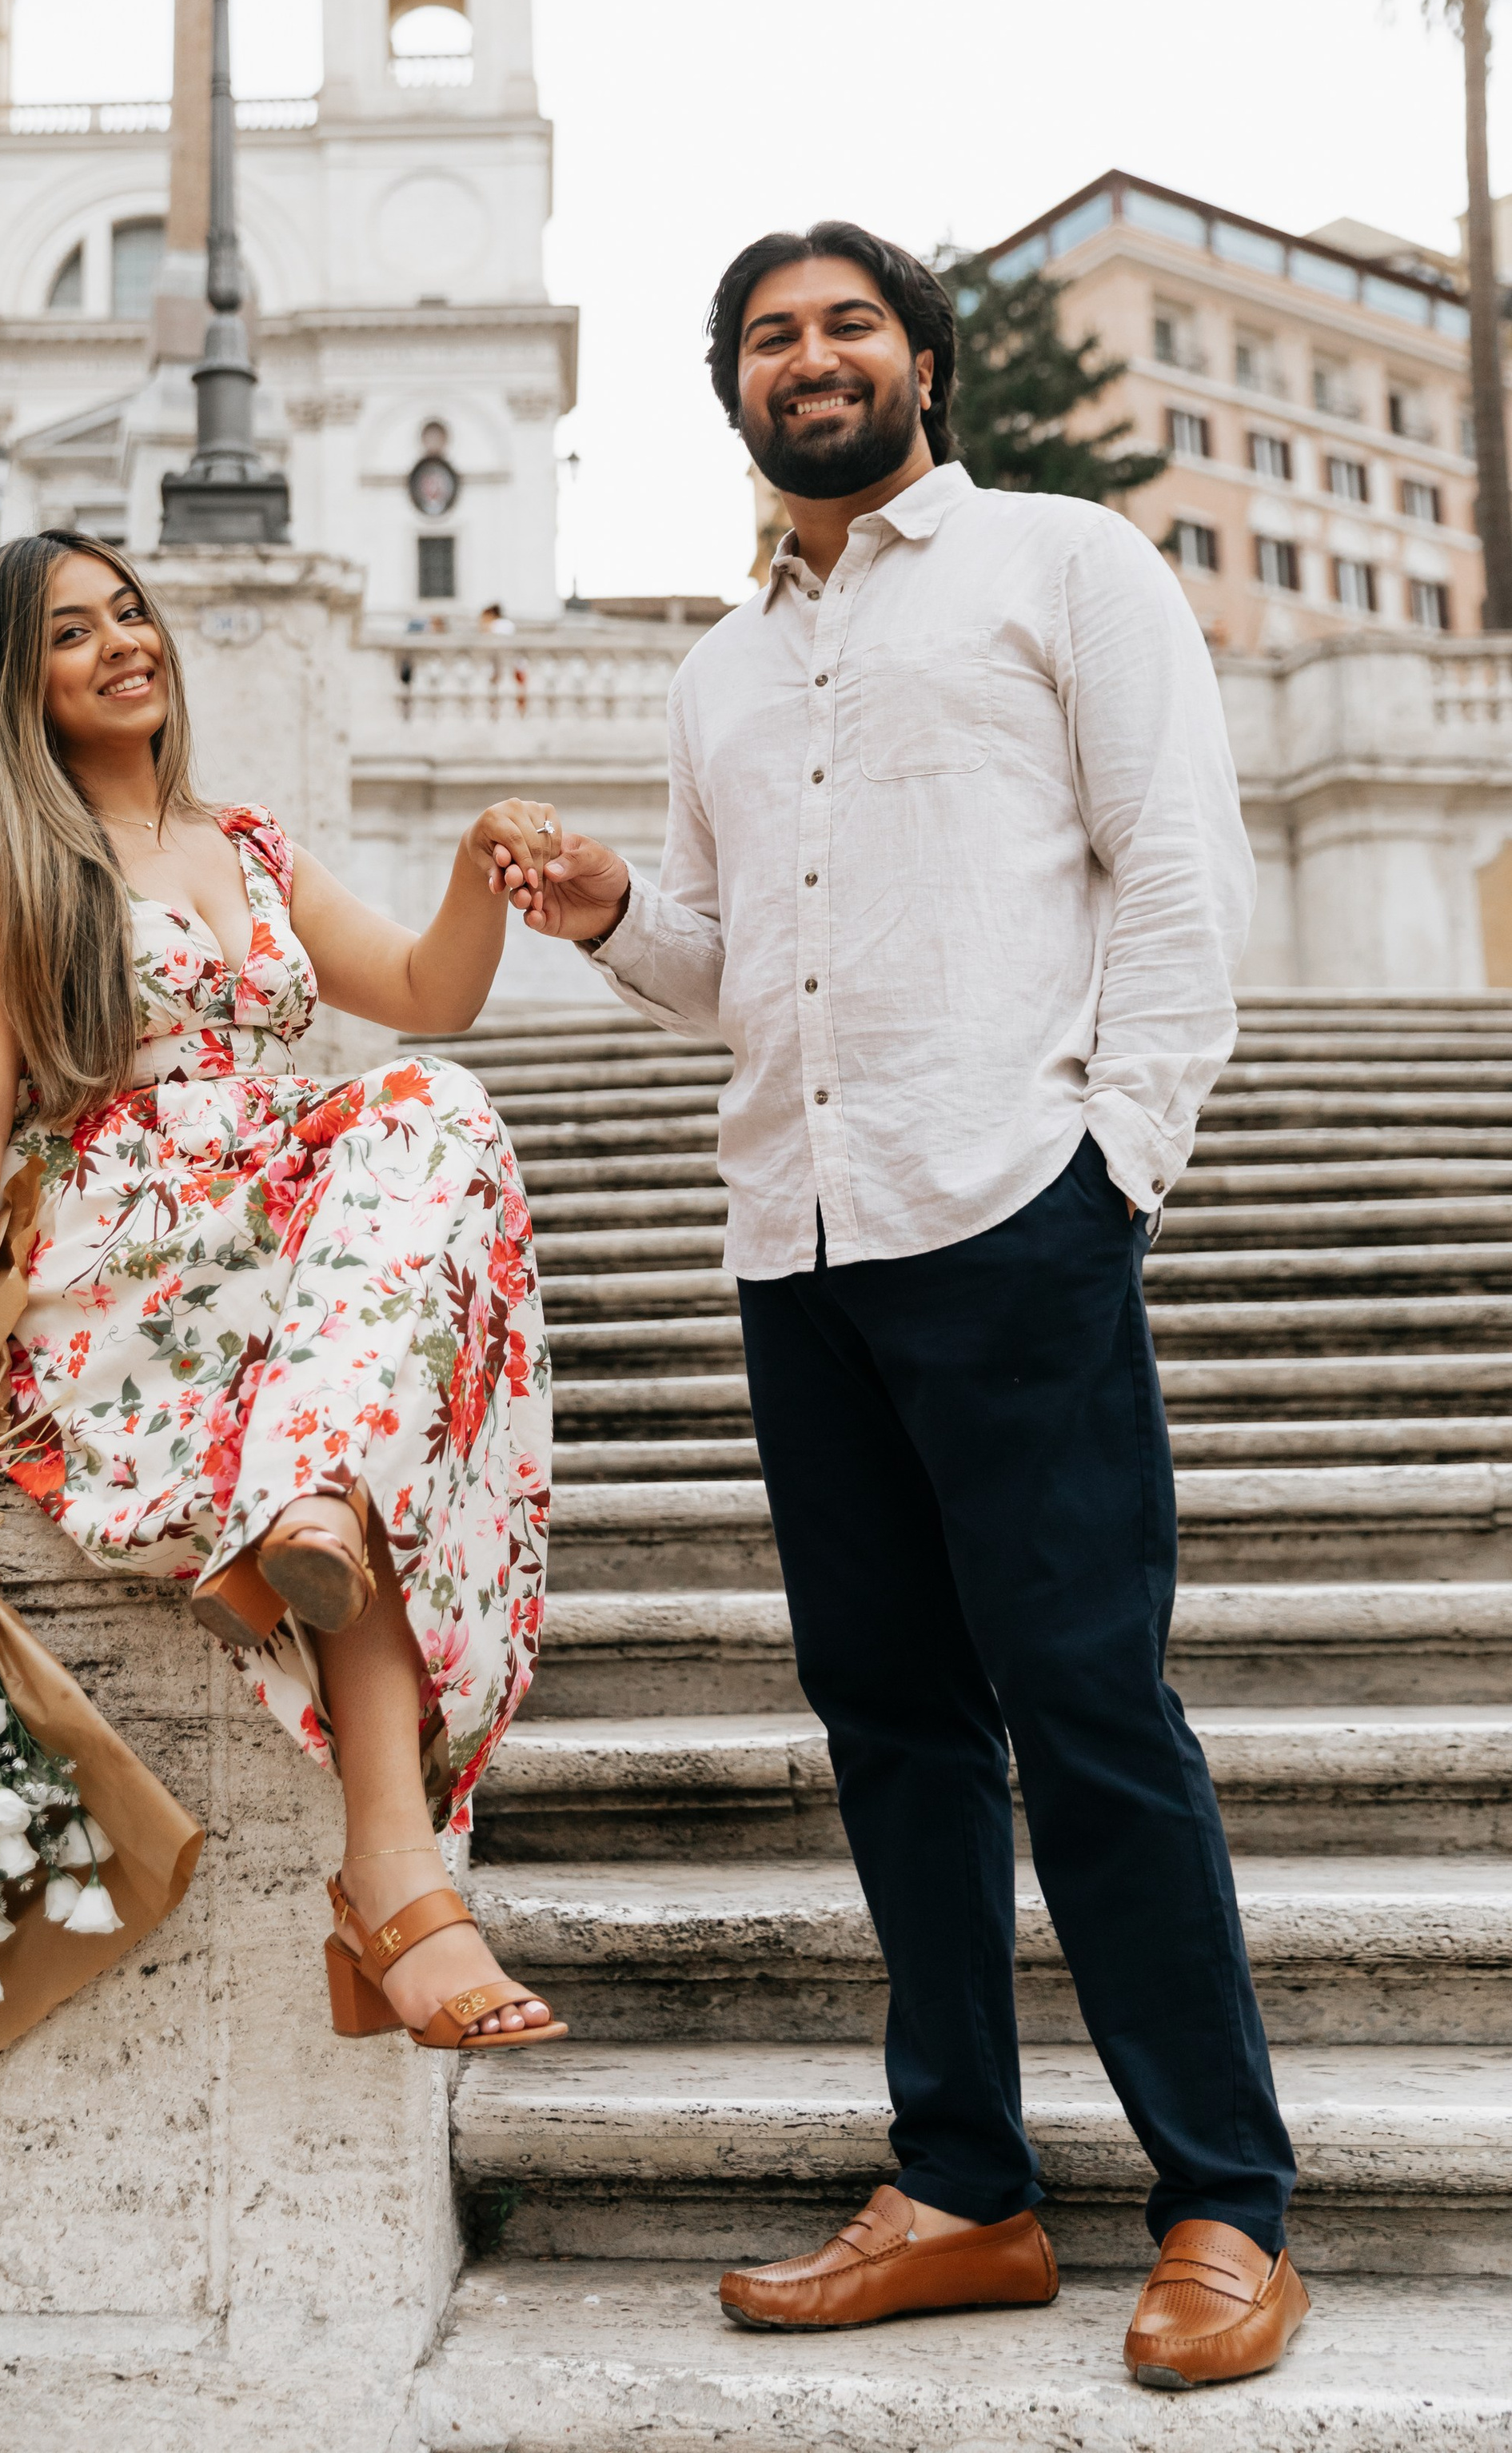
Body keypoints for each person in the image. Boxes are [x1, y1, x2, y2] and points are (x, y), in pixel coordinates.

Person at [495, 221, 1307, 2391]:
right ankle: (963, 2189)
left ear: (922, 360)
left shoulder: (1062, 567)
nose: (812, 356)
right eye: (770, 334)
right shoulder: (720, 675)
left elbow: (1177, 863)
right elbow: (734, 969)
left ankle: (1226, 2204)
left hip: (1011, 1209)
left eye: (850, 320)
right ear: (735, 391)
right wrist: (608, 917)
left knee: (1096, 1715)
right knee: (895, 1733)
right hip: (804, 1243)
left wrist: (1114, 1159)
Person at [0, 530, 564, 2053]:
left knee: (437, 1099)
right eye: (73, 632)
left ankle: (388, 1862)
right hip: (129, 1256)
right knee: (390, 1247)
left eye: (131, 612)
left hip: (285, 1244)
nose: (125, 642)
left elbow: (428, 994)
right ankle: (398, 1881)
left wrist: (475, 875)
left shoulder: (250, 844)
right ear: (19, 679)